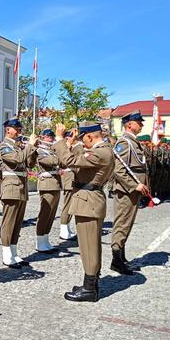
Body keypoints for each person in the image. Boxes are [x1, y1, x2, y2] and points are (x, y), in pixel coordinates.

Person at [51, 121, 115, 302]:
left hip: (88, 202)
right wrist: (71, 144)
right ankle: (91, 283)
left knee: (89, 247)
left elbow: (69, 161)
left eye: (84, 140)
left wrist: (59, 139)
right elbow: (79, 161)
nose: (84, 144)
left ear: (89, 136)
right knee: (90, 246)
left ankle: (89, 290)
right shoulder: (103, 150)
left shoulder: (101, 152)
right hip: (90, 201)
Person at [111, 111, 150, 275]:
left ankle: (122, 257)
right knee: (122, 224)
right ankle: (116, 261)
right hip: (126, 191)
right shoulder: (125, 143)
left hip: (133, 190)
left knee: (127, 224)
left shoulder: (134, 142)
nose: (141, 125)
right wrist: (134, 186)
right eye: (138, 123)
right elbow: (119, 170)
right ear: (129, 125)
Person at [0, 117, 37, 268]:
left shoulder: (20, 146)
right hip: (11, 186)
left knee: (17, 222)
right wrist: (29, 146)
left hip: (21, 186)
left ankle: (14, 253)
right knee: (9, 222)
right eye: (17, 129)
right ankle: (6, 254)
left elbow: (30, 164)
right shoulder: (4, 146)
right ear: (8, 130)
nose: (20, 131)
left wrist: (33, 150)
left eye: (20, 129)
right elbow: (16, 160)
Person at [35, 129, 62, 253]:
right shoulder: (40, 151)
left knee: (51, 214)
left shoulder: (52, 150)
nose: (51, 138)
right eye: (48, 136)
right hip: (47, 183)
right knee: (45, 213)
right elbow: (52, 162)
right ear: (42, 137)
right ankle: (40, 241)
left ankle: (46, 239)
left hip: (55, 183)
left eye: (52, 136)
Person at [59, 131, 79, 241]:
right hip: (68, 178)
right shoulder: (66, 148)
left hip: (72, 177)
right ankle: (63, 229)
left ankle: (66, 228)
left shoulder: (72, 147)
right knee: (67, 205)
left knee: (70, 206)